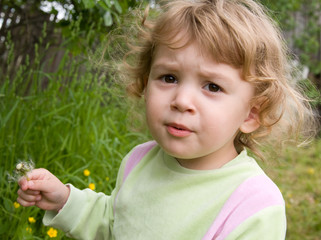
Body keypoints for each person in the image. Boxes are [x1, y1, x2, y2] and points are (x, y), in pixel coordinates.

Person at [17, 0, 318, 239]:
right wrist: (65, 201)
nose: (182, 100)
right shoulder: (139, 161)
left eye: (212, 86)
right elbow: (116, 224)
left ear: (252, 113)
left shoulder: (253, 205)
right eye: (169, 77)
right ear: (145, 82)